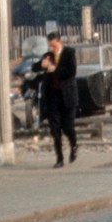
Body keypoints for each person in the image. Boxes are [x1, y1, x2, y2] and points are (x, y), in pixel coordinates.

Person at [38, 32, 79, 167]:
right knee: (55, 129)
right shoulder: (48, 56)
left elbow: (71, 72)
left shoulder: (69, 53)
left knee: (68, 127)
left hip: (67, 96)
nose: (51, 49)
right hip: (53, 97)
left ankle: (74, 145)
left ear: (59, 42)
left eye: (53, 46)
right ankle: (59, 159)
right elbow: (36, 67)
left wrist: (54, 70)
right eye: (49, 46)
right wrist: (41, 65)